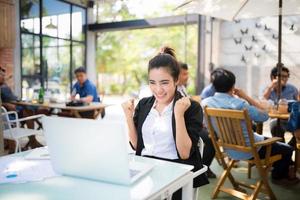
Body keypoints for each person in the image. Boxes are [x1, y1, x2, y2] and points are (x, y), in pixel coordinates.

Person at [122, 47, 209, 200]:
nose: (158, 89)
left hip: (174, 173)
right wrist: (128, 117)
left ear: (176, 80)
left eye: (164, 83)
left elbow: (184, 153)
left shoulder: (190, 107)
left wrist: (178, 114)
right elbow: (137, 146)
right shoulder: (144, 104)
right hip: (144, 168)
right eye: (152, 83)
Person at [202, 68, 299, 185]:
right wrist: (246, 97)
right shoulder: (240, 104)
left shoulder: (206, 103)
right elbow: (264, 116)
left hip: (229, 149)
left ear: (214, 86)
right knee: (287, 149)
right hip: (251, 150)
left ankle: (280, 172)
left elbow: (208, 127)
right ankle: (278, 177)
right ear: (233, 86)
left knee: (272, 142)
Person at [177, 62, 217, 178]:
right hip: (185, 125)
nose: (187, 76)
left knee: (212, 135)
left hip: (193, 122)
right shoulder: (175, 90)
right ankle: (203, 168)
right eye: (184, 74)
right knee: (210, 138)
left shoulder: (182, 88)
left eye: (187, 74)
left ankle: (204, 166)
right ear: (176, 74)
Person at [262, 66, 299, 145]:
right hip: (276, 120)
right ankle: (283, 152)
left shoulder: (292, 89)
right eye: (282, 76)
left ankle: (289, 148)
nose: (285, 79)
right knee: (275, 125)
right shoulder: (268, 89)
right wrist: (271, 86)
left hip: (291, 119)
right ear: (273, 77)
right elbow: (263, 101)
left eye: (287, 76)